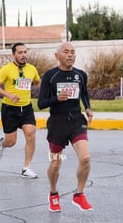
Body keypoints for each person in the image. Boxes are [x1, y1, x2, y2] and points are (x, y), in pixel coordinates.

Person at [37, 42, 94, 212]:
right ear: (57, 56)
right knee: (55, 164)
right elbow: (40, 103)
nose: (70, 55)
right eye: (66, 52)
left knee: (85, 158)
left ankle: (79, 195)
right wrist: (56, 99)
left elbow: (84, 93)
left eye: (73, 52)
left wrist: (88, 108)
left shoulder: (81, 75)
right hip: (57, 123)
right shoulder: (50, 76)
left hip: (77, 120)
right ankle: (53, 194)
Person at [0, 42, 41, 178]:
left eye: (25, 52)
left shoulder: (31, 69)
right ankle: (2, 143)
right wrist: (9, 95)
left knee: (31, 133)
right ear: (13, 55)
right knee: (11, 142)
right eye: (20, 53)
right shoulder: (7, 69)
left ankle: (26, 168)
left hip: (26, 108)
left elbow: (38, 82)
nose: (23, 55)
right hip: (10, 109)